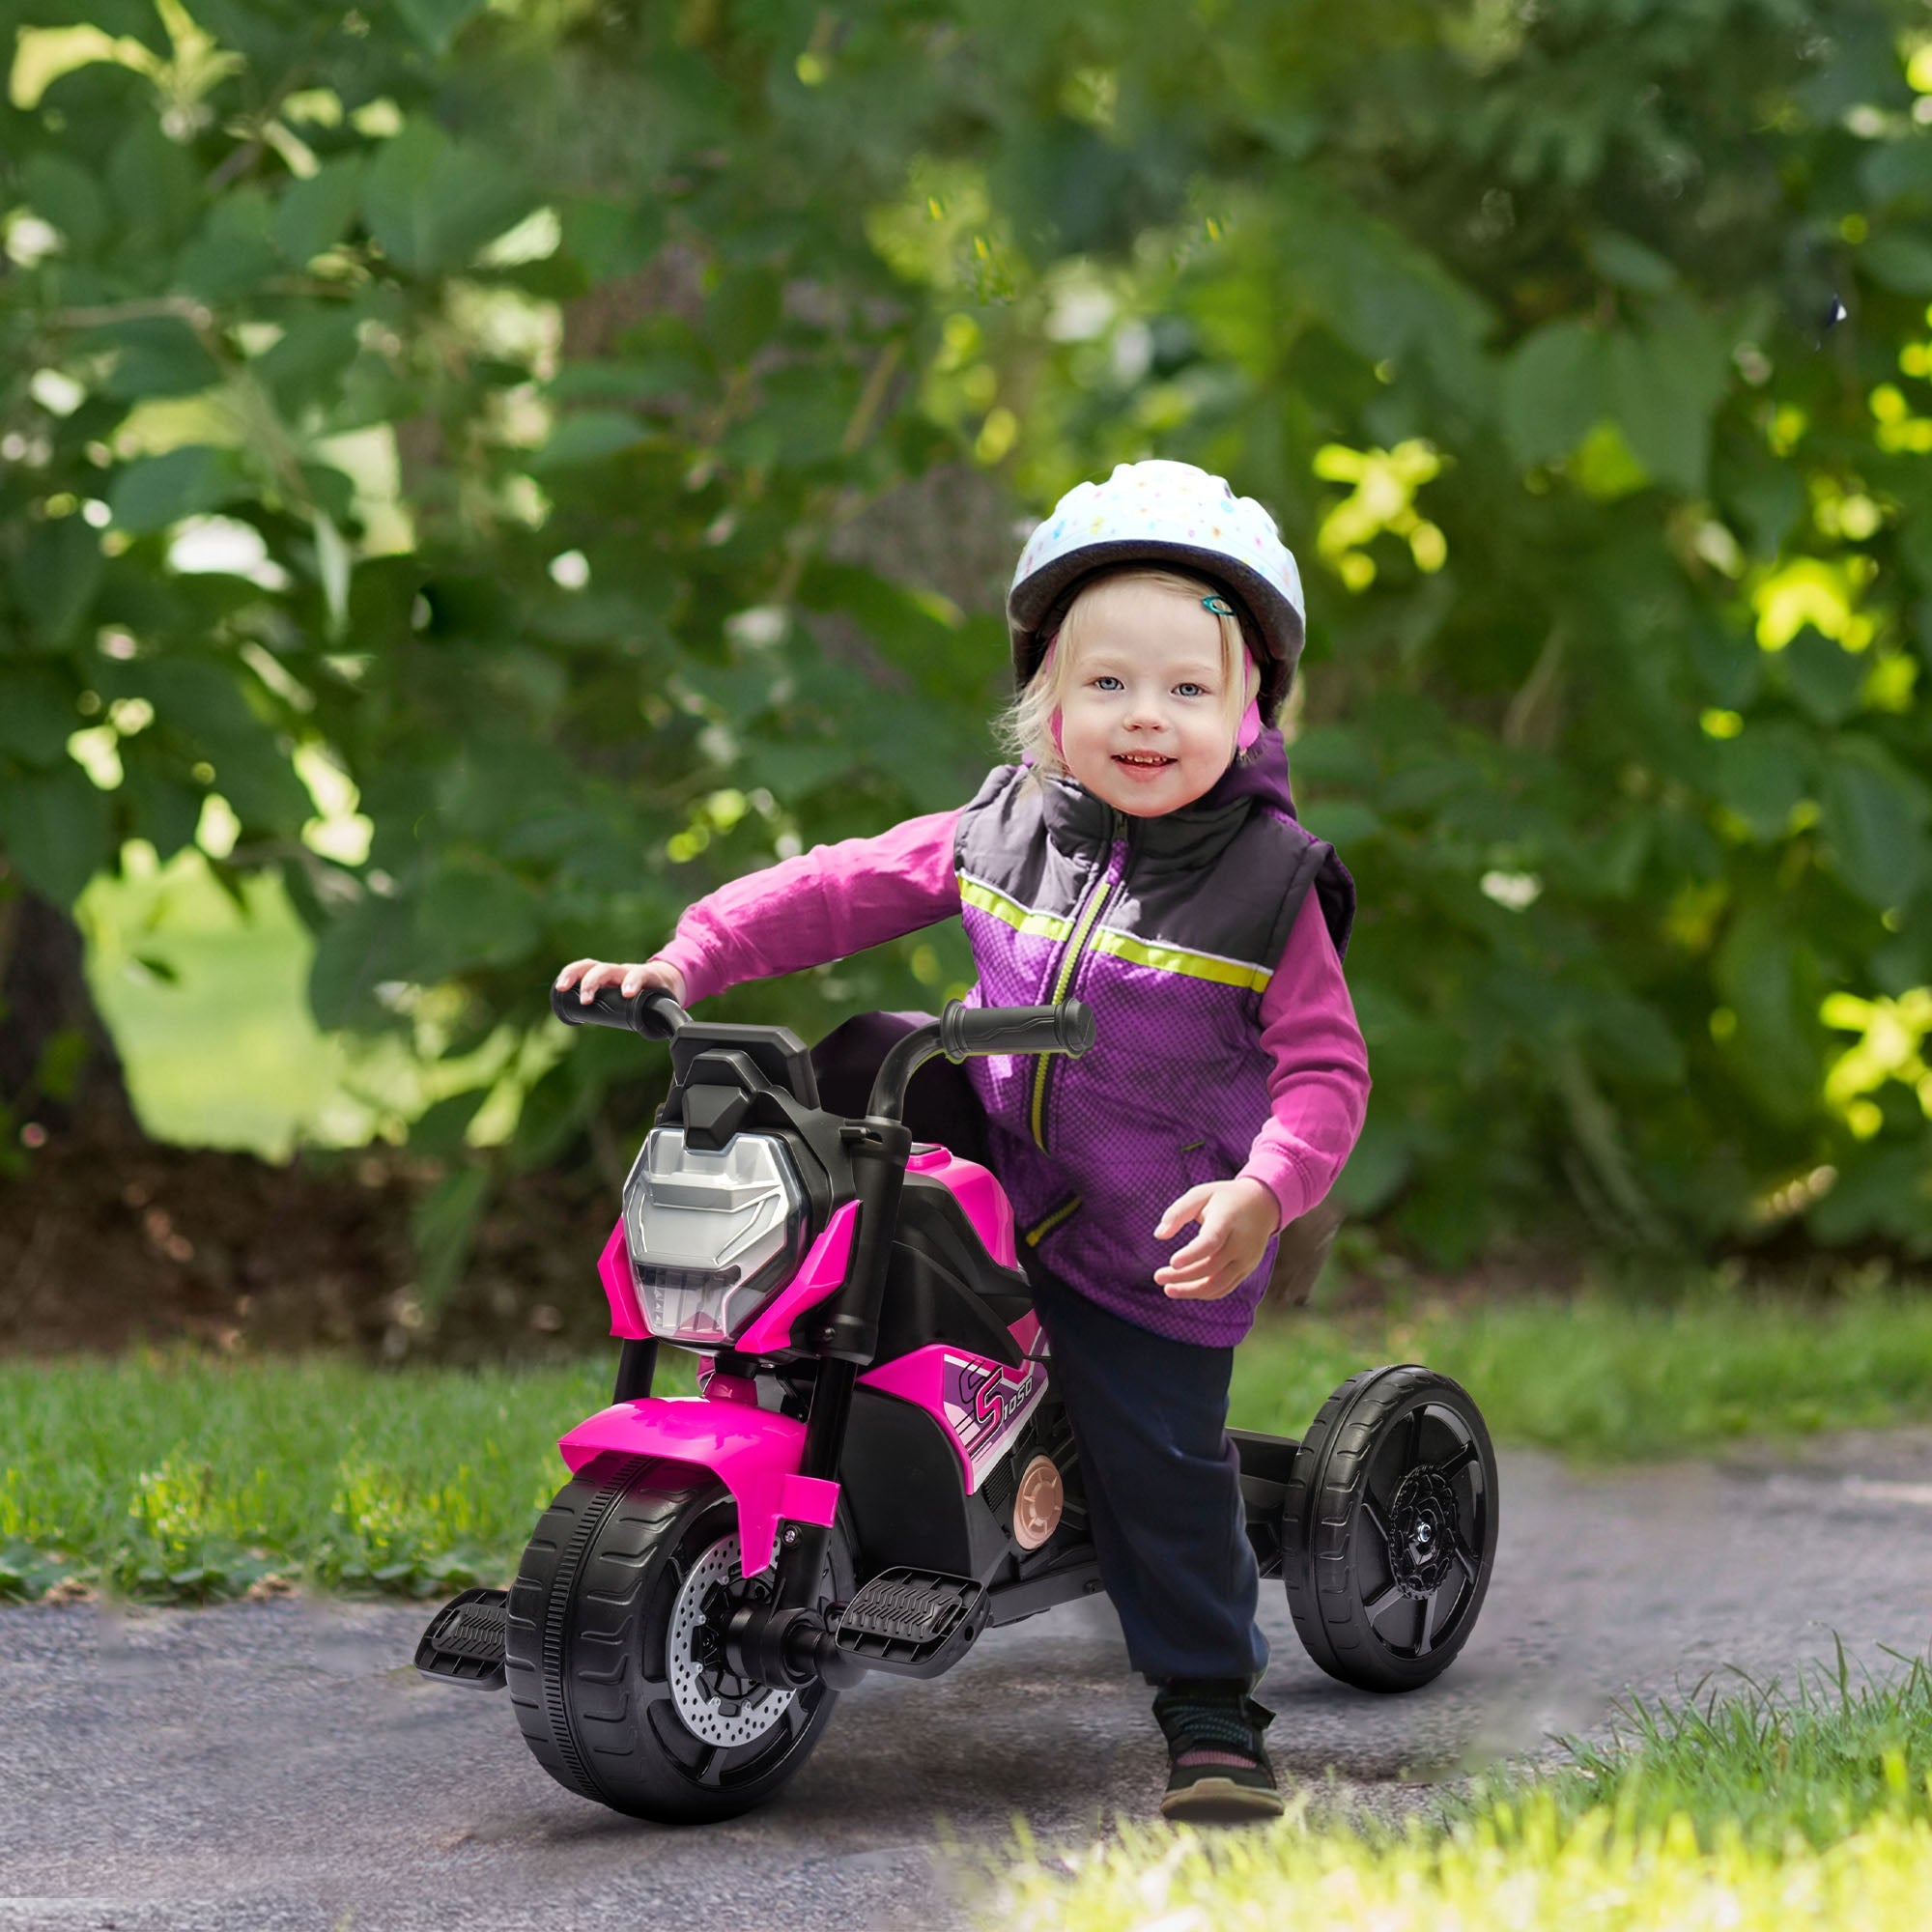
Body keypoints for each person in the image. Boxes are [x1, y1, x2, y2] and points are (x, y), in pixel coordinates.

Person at [556, 458, 1370, 1823]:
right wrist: (685, 958)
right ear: (1048, 695)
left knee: (1157, 1464)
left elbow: (1326, 1074)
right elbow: (830, 890)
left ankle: (1213, 1714)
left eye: (1186, 690)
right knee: (867, 1054)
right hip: (983, 1183)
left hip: (1145, 1241)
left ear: (1250, 707)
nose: (1144, 719)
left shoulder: (1267, 890)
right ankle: (804, 1467)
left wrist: (1259, 1193)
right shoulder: (1001, 826)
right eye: (1106, 684)